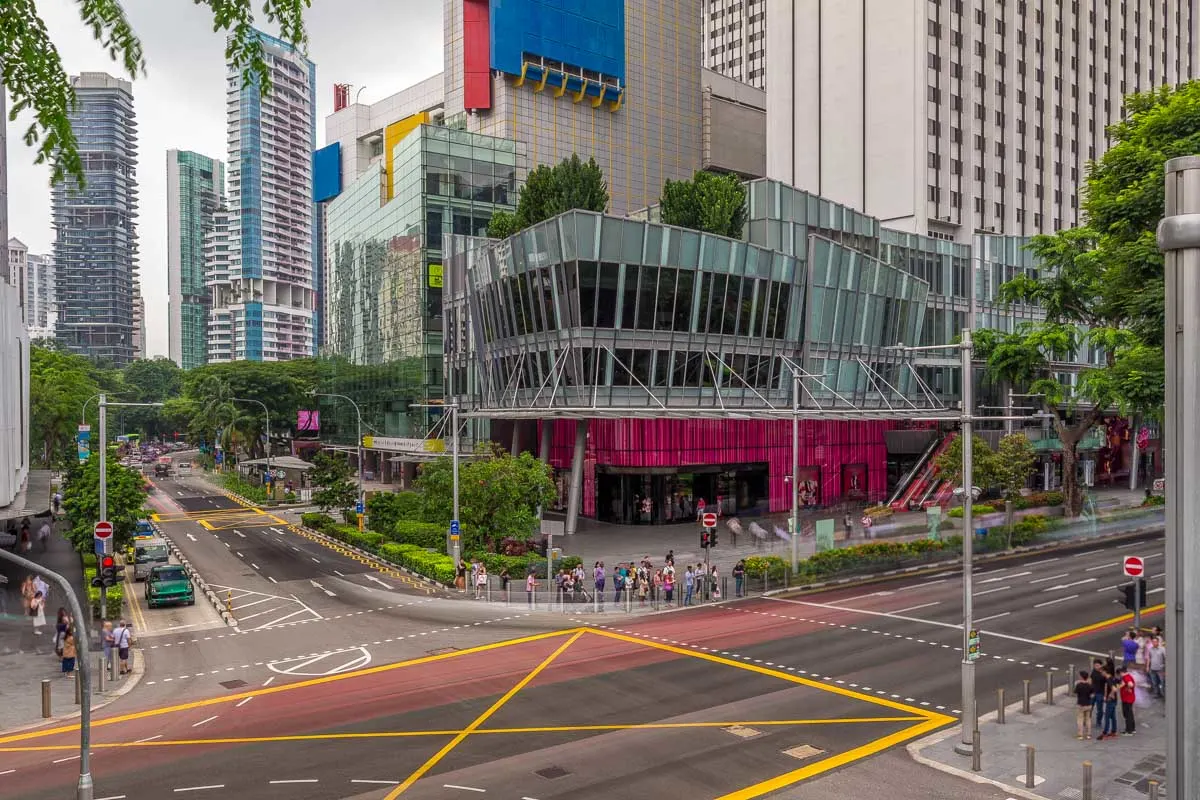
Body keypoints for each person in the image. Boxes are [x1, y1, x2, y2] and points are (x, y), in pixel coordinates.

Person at [1073, 669, 1094, 739]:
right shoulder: (1089, 685)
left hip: (1081, 704)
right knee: (1088, 719)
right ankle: (1088, 734)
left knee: (1080, 719)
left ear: (1081, 677)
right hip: (1089, 704)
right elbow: (1092, 695)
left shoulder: (1079, 685)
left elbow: (1075, 692)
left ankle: (1080, 734)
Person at [1100, 668, 1120, 740]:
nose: (1101, 673)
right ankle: (1113, 731)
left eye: (1102, 672)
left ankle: (1105, 732)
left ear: (1105, 672)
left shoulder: (1108, 680)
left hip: (1110, 701)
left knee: (1107, 717)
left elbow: (1114, 689)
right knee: (1113, 716)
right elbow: (1118, 686)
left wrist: (1110, 695)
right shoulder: (1113, 678)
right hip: (1115, 700)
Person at [1089, 659, 1107, 733]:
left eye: (1097, 665)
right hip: (1093, 692)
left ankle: (1098, 722)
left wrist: (1105, 695)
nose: (1096, 667)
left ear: (1101, 665)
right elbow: (1091, 681)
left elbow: (1106, 685)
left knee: (1100, 709)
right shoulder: (1093, 672)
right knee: (1090, 707)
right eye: (1095, 665)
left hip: (1100, 693)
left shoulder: (1103, 673)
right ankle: (1087, 720)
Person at [1119, 666, 1137, 735]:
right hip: (1129, 698)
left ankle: (1128, 730)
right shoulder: (1128, 676)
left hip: (1127, 699)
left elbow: (1130, 684)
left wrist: (1127, 688)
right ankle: (1132, 729)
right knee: (1130, 714)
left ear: (1121, 672)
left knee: (1127, 714)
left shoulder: (1126, 677)